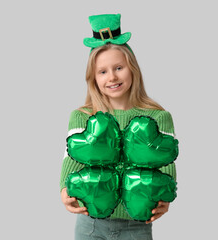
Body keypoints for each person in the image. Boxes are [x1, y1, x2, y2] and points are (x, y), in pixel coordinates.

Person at [59, 14, 177, 240]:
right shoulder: (82, 116)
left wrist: (166, 199)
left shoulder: (158, 116)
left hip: (136, 226)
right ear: (93, 78)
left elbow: (166, 163)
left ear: (132, 68)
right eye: (102, 71)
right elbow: (70, 161)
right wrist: (64, 191)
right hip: (90, 224)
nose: (112, 77)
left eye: (119, 67)